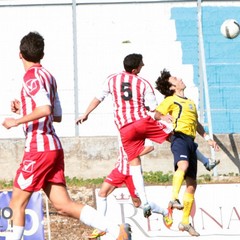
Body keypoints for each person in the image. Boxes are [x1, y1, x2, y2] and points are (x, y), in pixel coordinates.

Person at [2, 31, 131, 240]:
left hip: (38, 147)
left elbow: (44, 109)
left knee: (16, 203)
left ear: (20, 55)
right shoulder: (48, 76)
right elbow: (57, 115)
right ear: (41, 54)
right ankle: (117, 231)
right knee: (63, 205)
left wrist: (16, 121)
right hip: (53, 147)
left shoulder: (31, 77)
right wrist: (24, 108)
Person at [76, 53, 172, 221]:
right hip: (142, 122)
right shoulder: (143, 83)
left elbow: (98, 97)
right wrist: (162, 117)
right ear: (135, 69)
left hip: (125, 128)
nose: (144, 65)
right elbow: (153, 109)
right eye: (142, 64)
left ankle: (150, 206)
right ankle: (194, 151)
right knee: (172, 136)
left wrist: (86, 114)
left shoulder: (111, 79)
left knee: (133, 162)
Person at [154, 69, 220, 237]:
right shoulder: (171, 100)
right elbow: (156, 114)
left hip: (191, 142)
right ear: (172, 87)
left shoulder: (190, 102)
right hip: (179, 138)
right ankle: (173, 198)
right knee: (182, 165)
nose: (180, 78)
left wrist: (208, 139)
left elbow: (197, 124)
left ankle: (185, 222)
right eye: (175, 78)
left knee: (192, 185)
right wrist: (163, 118)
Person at [88, 138, 173, 239]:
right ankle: (101, 226)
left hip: (133, 173)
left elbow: (150, 147)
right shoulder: (121, 126)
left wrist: (134, 155)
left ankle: (165, 212)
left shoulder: (140, 128)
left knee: (137, 203)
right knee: (102, 193)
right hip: (119, 170)